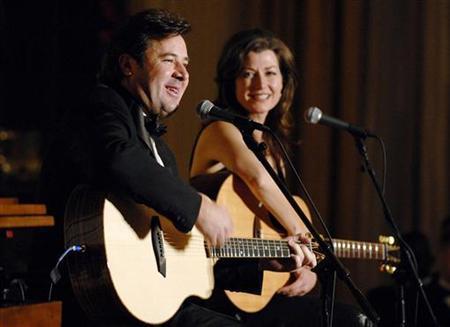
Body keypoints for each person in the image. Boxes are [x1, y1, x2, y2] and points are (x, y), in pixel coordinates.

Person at [37, 9, 316, 327]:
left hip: (152, 301)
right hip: (92, 301)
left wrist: (262, 264)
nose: (183, 73)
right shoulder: (102, 105)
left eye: (186, 64)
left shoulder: (161, 151)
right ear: (128, 66)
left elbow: (188, 257)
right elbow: (119, 158)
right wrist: (199, 207)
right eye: (169, 60)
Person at [189, 28, 371, 327]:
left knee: (354, 318)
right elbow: (259, 180)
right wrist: (310, 247)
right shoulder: (221, 129)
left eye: (270, 73)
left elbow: (274, 230)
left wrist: (304, 268)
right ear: (231, 81)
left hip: (263, 286)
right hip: (223, 282)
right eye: (247, 74)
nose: (260, 84)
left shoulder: (273, 144)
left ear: (284, 81)